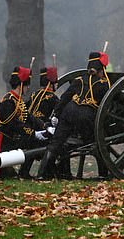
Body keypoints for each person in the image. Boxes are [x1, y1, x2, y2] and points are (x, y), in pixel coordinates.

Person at [37, 51, 111, 180]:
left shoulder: (79, 80)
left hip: (68, 112)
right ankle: (103, 174)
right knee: (98, 143)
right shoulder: (103, 85)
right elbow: (108, 106)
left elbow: (65, 98)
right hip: (86, 115)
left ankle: (42, 174)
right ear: (101, 70)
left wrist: (56, 115)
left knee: (55, 143)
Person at [0, 65, 47, 178]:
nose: (28, 88)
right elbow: (12, 124)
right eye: (27, 85)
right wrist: (32, 133)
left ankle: (24, 173)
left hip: (14, 140)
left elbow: (29, 117)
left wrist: (44, 126)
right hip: (3, 142)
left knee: (34, 144)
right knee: (4, 174)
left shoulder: (18, 101)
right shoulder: (8, 101)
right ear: (21, 84)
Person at [20, 65, 62, 179]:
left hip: (31, 132)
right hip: (43, 133)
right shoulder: (52, 97)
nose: (57, 85)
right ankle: (49, 173)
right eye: (56, 82)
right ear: (51, 83)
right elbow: (60, 114)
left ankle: (24, 172)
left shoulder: (34, 94)